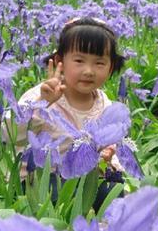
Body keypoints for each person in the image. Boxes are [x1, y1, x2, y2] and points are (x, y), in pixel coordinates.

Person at [13, 17, 126, 209]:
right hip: (41, 175)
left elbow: (110, 143)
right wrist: (42, 104)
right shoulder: (42, 95)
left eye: (99, 63)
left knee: (114, 191)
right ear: (59, 61)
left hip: (85, 175)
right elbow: (11, 135)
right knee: (56, 196)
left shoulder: (105, 104)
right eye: (79, 60)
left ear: (111, 68)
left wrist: (110, 157)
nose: (89, 71)